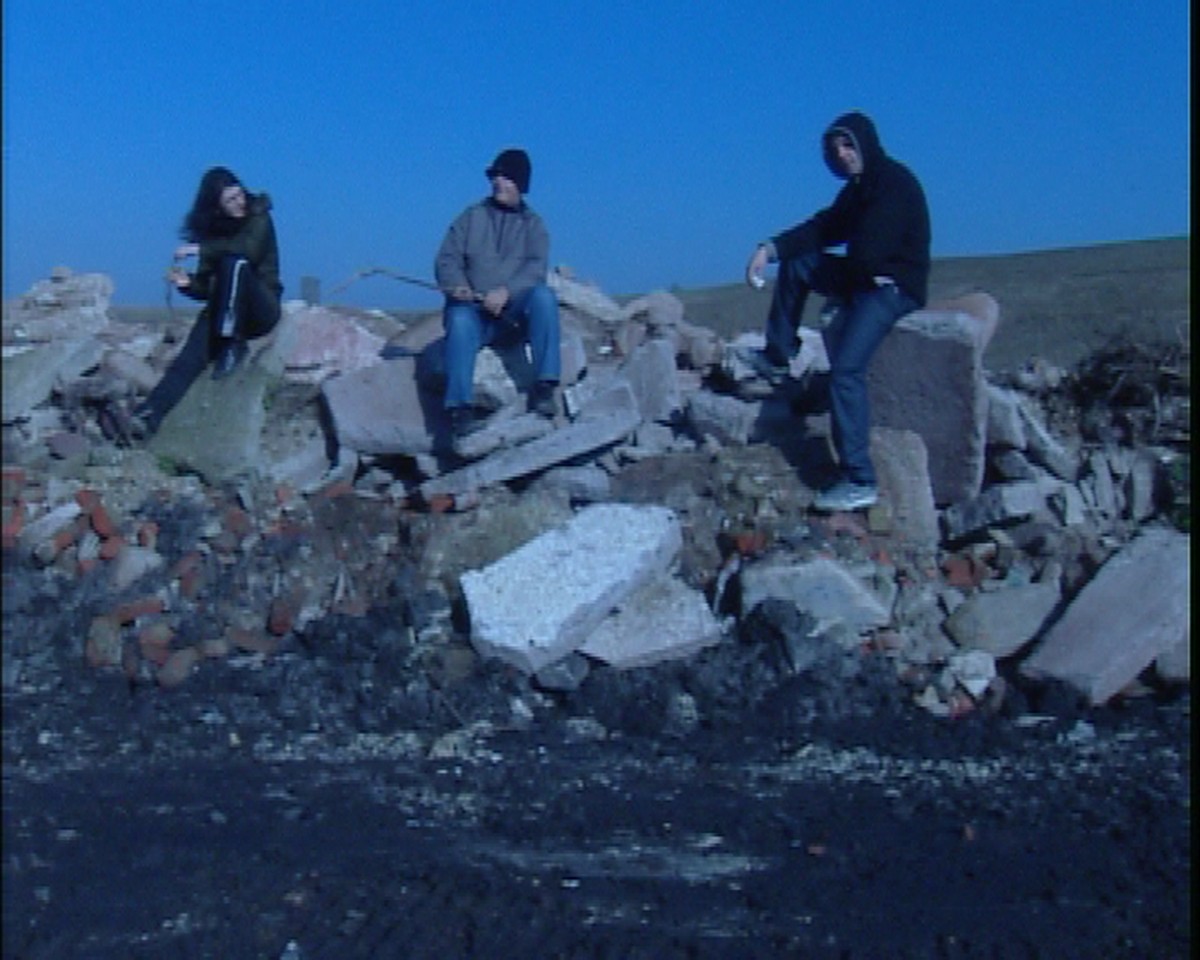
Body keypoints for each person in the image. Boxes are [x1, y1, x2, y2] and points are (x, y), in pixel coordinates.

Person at [744, 111, 930, 513]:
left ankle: (860, 478)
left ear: (865, 143)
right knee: (800, 263)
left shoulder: (893, 184)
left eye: (848, 145)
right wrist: (770, 250)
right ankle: (778, 355)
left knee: (846, 371)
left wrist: (850, 293)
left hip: (893, 289)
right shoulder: (858, 189)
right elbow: (824, 229)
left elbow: (870, 254)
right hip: (865, 278)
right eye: (834, 149)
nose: (842, 155)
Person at [105, 166, 282, 442]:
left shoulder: (259, 216)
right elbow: (207, 288)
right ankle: (147, 417)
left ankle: (230, 344)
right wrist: (187, 284)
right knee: (187, 361)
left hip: (261, 309)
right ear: (217, 207)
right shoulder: (214, 234)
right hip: (224, 312)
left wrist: (200, 249)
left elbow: (247, 251)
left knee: (235, 264)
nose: (239, 203)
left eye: (239, 195)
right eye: (230, 201)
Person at [433, 147, 561, 448]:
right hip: (474, 313)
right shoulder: (470, 218)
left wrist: (507, 292)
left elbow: (535, 269)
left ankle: (545, 387)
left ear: (520, 183)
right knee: (460, 319)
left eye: (505, 177)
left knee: (544, 298)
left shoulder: (535, 226)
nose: (497, 182)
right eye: (495, 176)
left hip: (513, 319)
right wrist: (458, 286)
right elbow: (445, 260)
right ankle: (459, 410)